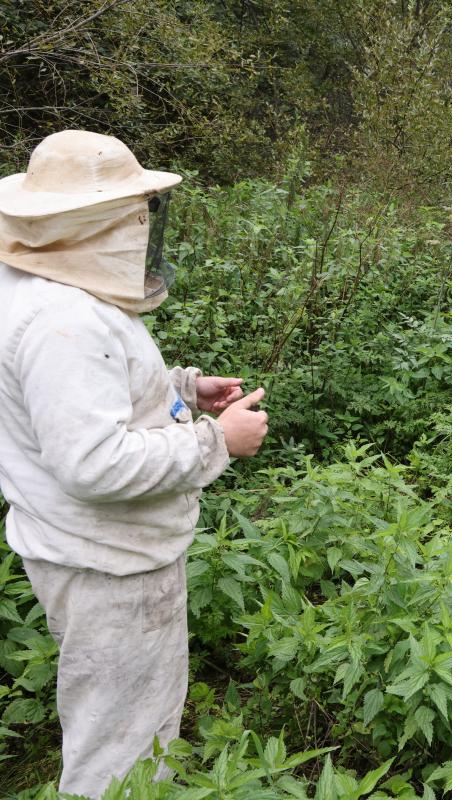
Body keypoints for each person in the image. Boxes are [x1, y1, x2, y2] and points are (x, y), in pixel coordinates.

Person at [0, 130, 269, 797]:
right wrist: (217, 441)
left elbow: (71, 404)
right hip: (108, 566)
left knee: (119, 724)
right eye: (133, 214)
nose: (144, 229)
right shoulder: (63, 320)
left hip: (88, 552)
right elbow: (92, 462)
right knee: (120, 750)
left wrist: (178, 390)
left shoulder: (34, 284)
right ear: (97, 223)